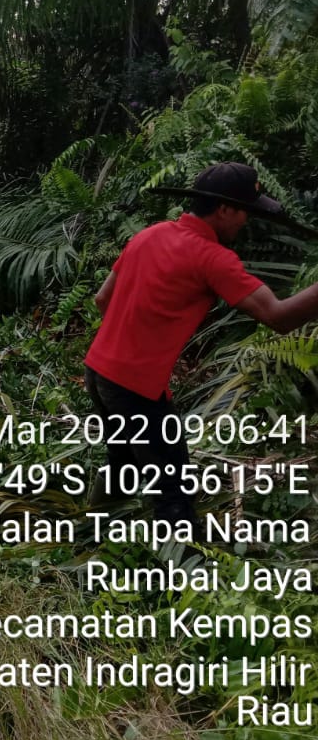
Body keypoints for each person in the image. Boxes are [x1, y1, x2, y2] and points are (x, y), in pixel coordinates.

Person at [86, 161, 318, 526]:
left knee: (123, 459)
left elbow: (103, 299)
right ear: (224, 209)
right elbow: (279, 317)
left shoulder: (150, 234)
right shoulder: (213, 259)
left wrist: (136, 345)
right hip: (133, 387)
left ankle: (90, 536)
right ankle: (181, 571)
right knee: (173, 485)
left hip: (98, 371)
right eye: (245, 212)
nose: (246, 221)